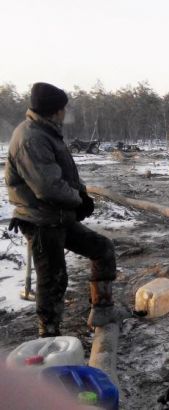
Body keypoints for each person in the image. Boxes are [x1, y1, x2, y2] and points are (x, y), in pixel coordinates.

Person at [4, 82, 118, 337]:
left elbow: (65, 175)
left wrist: (82, 193)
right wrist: (77, 200)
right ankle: (49, 334)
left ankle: (103, 310)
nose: (66, 112)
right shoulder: (31, 138)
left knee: (102, 249)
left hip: (57, 217)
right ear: (54, 110)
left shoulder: (47, 133)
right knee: (53, 279)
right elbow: (48, 187)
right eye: (63, 108)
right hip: (42, 220)